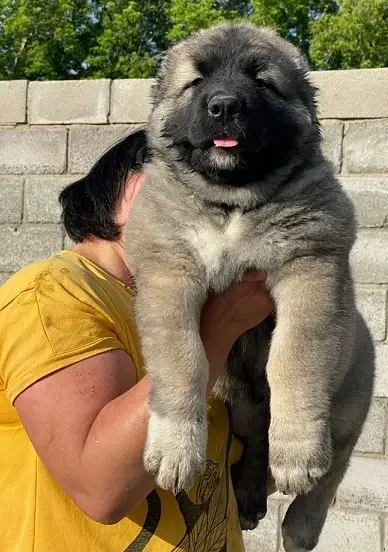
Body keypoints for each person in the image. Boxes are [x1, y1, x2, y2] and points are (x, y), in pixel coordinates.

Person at [0, 130, 274, 552]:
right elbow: (100, 488)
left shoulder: (196, 309)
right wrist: (218, 330)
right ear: (128, 187)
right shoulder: (56, 292)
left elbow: (239, 476)